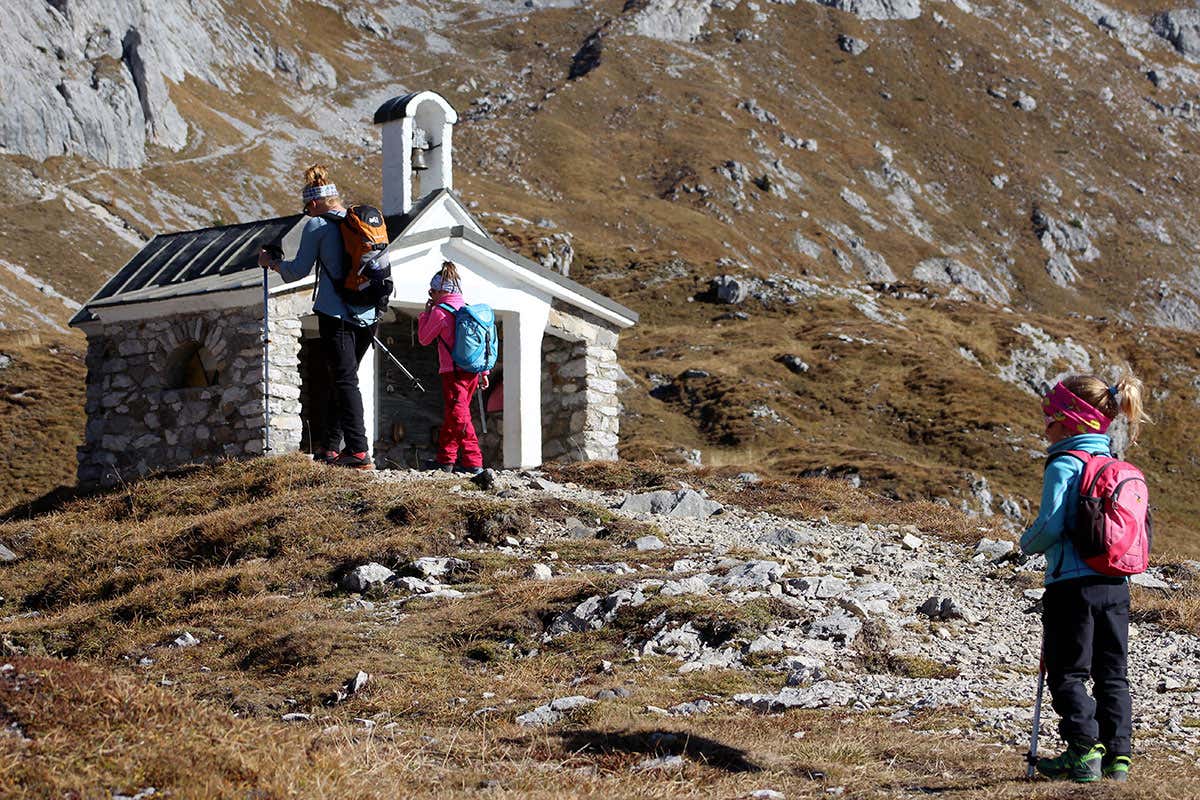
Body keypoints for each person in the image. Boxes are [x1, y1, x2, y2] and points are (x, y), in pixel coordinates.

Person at [1020, 373, 1150, 783]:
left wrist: (1025, 544)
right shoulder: (1114, 466)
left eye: (1051, 417)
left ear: (1073, 420)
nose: (1046, 427)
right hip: (1116, 585)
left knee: (1067, 671)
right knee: (1113, 671)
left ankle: (1082, 749)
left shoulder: (1064, 463)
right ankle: (1118, 758)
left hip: (1071, 586)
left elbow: (1051, 526)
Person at [258, 165, 380, 469]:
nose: (306, 213)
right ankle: (329, 447)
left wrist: (273, 263)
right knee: (345, 378)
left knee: (344, 380)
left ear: (313, 204)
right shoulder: (360, 223)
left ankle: (358, 450)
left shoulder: (317, 226)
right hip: (369, 313)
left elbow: (297, 272)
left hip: (335, 313)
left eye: (306, 208)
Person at [417, 261, 489, 474]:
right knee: (453, 415)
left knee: (459, 416)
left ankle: (473, 462)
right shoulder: (467, 308)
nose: (430, 295)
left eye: (432, 290)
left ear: (441, 291)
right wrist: (484, 372)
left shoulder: (440, 312)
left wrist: (425, 314)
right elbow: (480, 344)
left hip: (453, 373)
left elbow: (423, 338)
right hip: (472, 371)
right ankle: (446, 460)